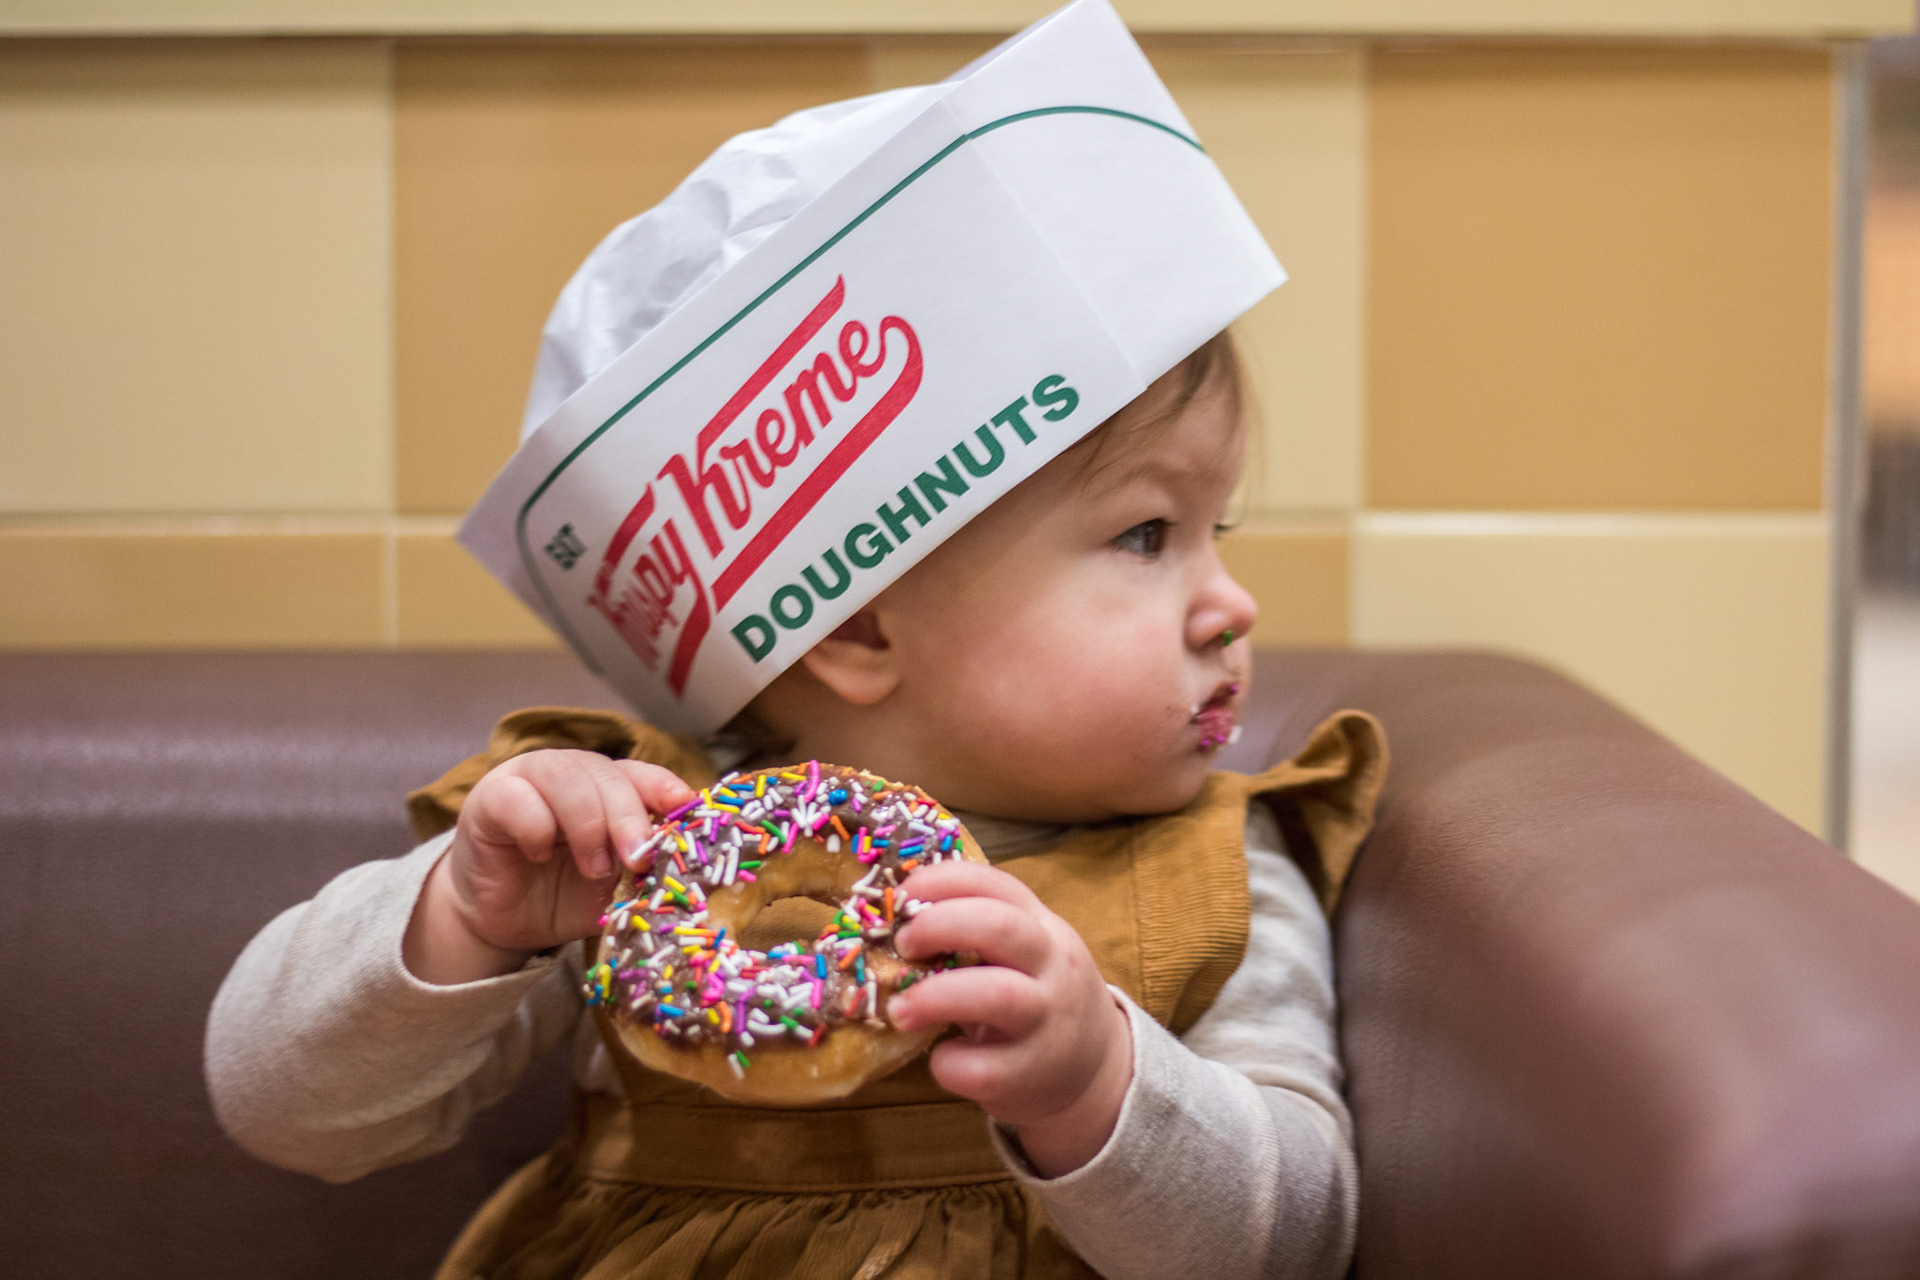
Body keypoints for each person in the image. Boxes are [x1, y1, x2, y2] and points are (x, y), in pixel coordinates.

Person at [206, 4, 1385, 1276]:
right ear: (861, 622)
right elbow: (283, 1108)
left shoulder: (1224, 868)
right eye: (1148, 533)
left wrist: (1098, 1082)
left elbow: (1299, 1236)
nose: (1231, 603)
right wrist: (462, 917)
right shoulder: (633, 844)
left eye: (1218, 528)